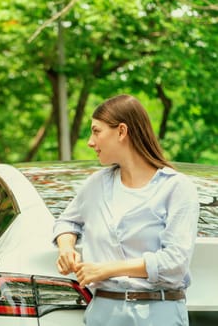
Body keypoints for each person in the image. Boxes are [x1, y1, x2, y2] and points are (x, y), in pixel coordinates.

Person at [52, 94, 199, 326]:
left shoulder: (176, 188)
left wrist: (106, 270)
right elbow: (66, 222)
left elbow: (175, 264)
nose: (90, 142)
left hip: (158, 314)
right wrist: (66, 248)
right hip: (103, 314)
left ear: (121, 131)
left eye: (96, 131)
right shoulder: (96, 185)